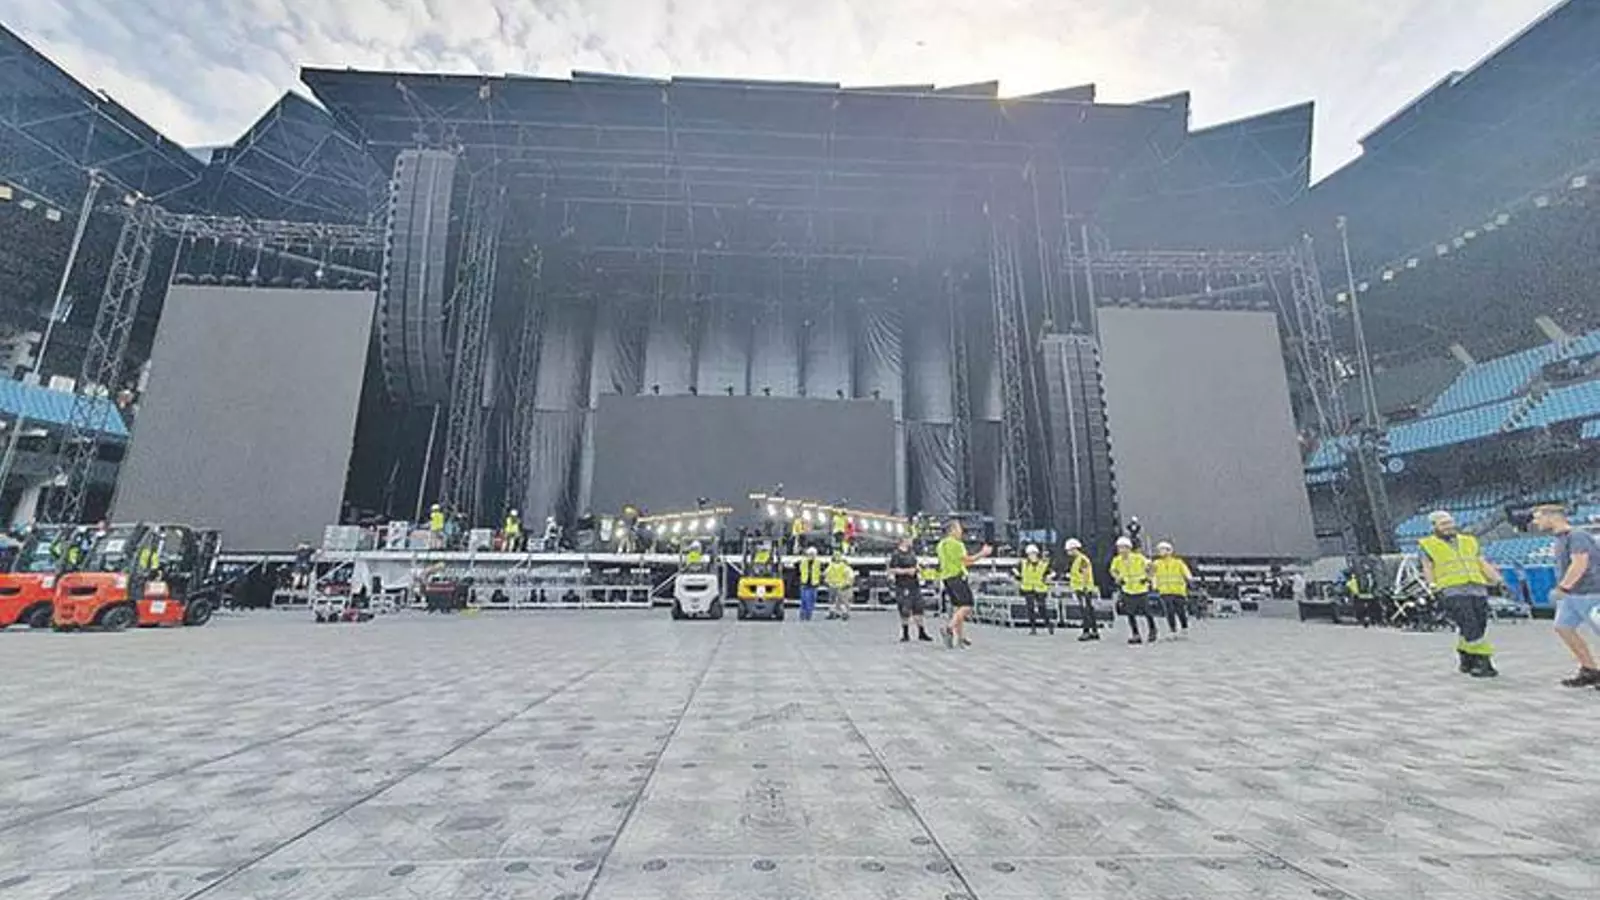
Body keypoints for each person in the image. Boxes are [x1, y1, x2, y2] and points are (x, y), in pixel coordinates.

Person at [1419, 510, 1505, 678]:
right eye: (1443, 524)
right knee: (1470, 624)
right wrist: (1432, 586)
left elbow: (1481, 562)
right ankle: (1483, 661)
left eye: (1450, 522)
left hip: (1477, 587)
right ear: (1434, 527)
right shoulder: (1427, 544)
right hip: (1451, 589)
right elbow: (1427, 567)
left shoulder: (1469, 541)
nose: (1448, 526)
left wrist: (1497, 579)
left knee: (1479, 624)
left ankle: (1466, 656)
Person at [1531, 503, 1600, 689]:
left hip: (1590, 593)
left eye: (1538, 517)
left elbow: (1580, 563)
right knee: (1563, 627)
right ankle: (1590, 670)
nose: (1536, 522)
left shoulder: (1577, 536)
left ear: (1551, 516)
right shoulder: (1560, 539)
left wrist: (1563, 587)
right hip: (1572, 595)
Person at [936, 519, 991, 649]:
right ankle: (949, 628)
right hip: (957, 577)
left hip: (946, 578)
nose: (961, 531)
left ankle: (960, 638)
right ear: (952, 530)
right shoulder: (957, 544)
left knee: (958, 608)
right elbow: (967, 561)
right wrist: (982, 553)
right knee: (967, 605)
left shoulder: (941, 544)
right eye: (959, 528)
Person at [1109, 536, 1157, 644]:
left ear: (1129, 548)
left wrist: (1148, 578)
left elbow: (1152, 567)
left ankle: (1152, 630)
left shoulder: (1138, 558)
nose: (1121, 550)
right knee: (1130, 613)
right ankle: (1135, 634)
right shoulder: (1117, 560)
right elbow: (1112, 570)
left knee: (1147, 612)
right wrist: (1117, 578)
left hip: (1140, 589)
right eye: (1119, 548)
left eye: (1123, 547)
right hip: (1127, 589)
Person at [888, 536, 931, 642]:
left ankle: (921, 632)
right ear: (904, 541)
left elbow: (915, 564)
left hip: (914, 584)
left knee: (918, 607)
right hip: (903, 585)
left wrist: (918, 568)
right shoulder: (896, 554)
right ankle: (905, 633)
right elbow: (892, 570)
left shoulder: (912, 552)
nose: (911, 542)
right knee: (905, 609)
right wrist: (907, 571)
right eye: (909, 540)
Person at [1151, 541, 1192, 638]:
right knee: (1169, 610)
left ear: (1169, 551)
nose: (1161, 552)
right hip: (1164, 591)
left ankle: (1184, 627)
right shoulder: (1156, 563)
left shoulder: (1178, 562)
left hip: (1178, 590)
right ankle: (1172, 629)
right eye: (1160, 550)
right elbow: (1153, 575)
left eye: (1163, 549)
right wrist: (1154, 585)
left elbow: (1186, 572)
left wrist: (1189, 579)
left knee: (1180, 610)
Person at [1065, 538, 1100, 641]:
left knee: (1085, 611)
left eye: (1069, 550)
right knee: (1089, 610)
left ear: (1074, 549)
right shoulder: (1078, 560)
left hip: (1084, 589)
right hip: (1081, 588)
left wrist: (1084, 586)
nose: (1068, 553)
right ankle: (1094, 631)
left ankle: (1086, 631)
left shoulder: (1081, 559)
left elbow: (1085, 573)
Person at [1017, 544, 1053, 635]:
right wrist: (1018, 576)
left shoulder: (1043, 564)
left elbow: (1052, 573)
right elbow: (1015, 570)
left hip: (1040, 589)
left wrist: (1048, 577)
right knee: (1030, 608)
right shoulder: (1023, 563)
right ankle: (1033, 628)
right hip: (1028, 588)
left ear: (1037, 554)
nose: (1032, 556)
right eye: (1030, 554)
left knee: (1042, 608)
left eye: (1033, 554)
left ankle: (1048, 623)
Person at [824, 551, 855, 620]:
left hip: (833, 586)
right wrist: (848, 584)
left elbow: (825, 574)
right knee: (841, 601)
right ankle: (843, 613)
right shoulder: (845, 567)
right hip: (841, 586)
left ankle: (833, 613)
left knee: (833, 601)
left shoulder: (831, 566)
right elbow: (851, 577)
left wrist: (827, 582)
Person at [797, 547, 823, 621]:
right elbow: (799, 570)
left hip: (813, 584)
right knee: (804, 600)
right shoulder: (803, 562)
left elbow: (819, 572)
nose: (811, 555)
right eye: (810, 554)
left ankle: (808, 615)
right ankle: (803, 615)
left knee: (811, 600)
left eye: (813, 554)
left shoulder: (818, 562)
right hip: (805, 583)